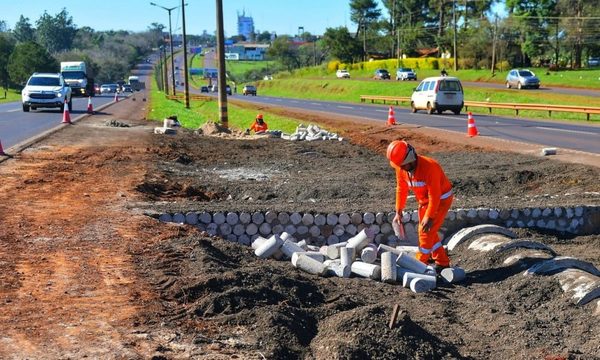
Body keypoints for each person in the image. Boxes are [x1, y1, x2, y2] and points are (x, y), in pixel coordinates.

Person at [386, 140, 453, 270]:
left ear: (410, 159)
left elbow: (435, 196)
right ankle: (442, 262)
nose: (399, 168)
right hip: (424, 201)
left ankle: (419, 264)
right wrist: (398, 211)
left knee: (425, 233)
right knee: (429, 233)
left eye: (401, 165)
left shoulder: (430, 167)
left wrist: (430, 216)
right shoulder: (401, 168)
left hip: (441, 200)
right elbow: (401, 189)